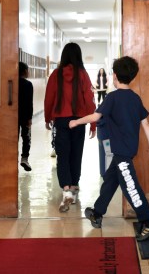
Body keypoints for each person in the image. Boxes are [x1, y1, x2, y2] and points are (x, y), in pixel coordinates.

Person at [69, 56, 149, 241]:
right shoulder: (135, 98)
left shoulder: (112, 97)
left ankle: (148, 221)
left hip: (122, 152)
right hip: (125, 150)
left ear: (115, 75)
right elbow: (146, 124)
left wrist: (76, 122)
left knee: (130, 187)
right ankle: (97, 212)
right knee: (111, 179)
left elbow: (95, 117)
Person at [44, 43, 96, 212]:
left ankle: (66, 189)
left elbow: (49, 98)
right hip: (79, 121)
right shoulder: (82, 74)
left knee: (62, 154)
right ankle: (74, 186)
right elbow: (89, 99)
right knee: (76, 153)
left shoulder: (56, 75)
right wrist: (93, 123)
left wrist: (47, 118)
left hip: (61, 120)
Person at [18, 62, 34, 172]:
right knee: (26, 137)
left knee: (13, 139)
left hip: (12, 115)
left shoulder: (12, 83)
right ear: (24, 71)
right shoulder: (28, 84)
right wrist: (29, 118)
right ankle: (24, 158)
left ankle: (12, 157)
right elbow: (29, 103)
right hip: (24, 115)